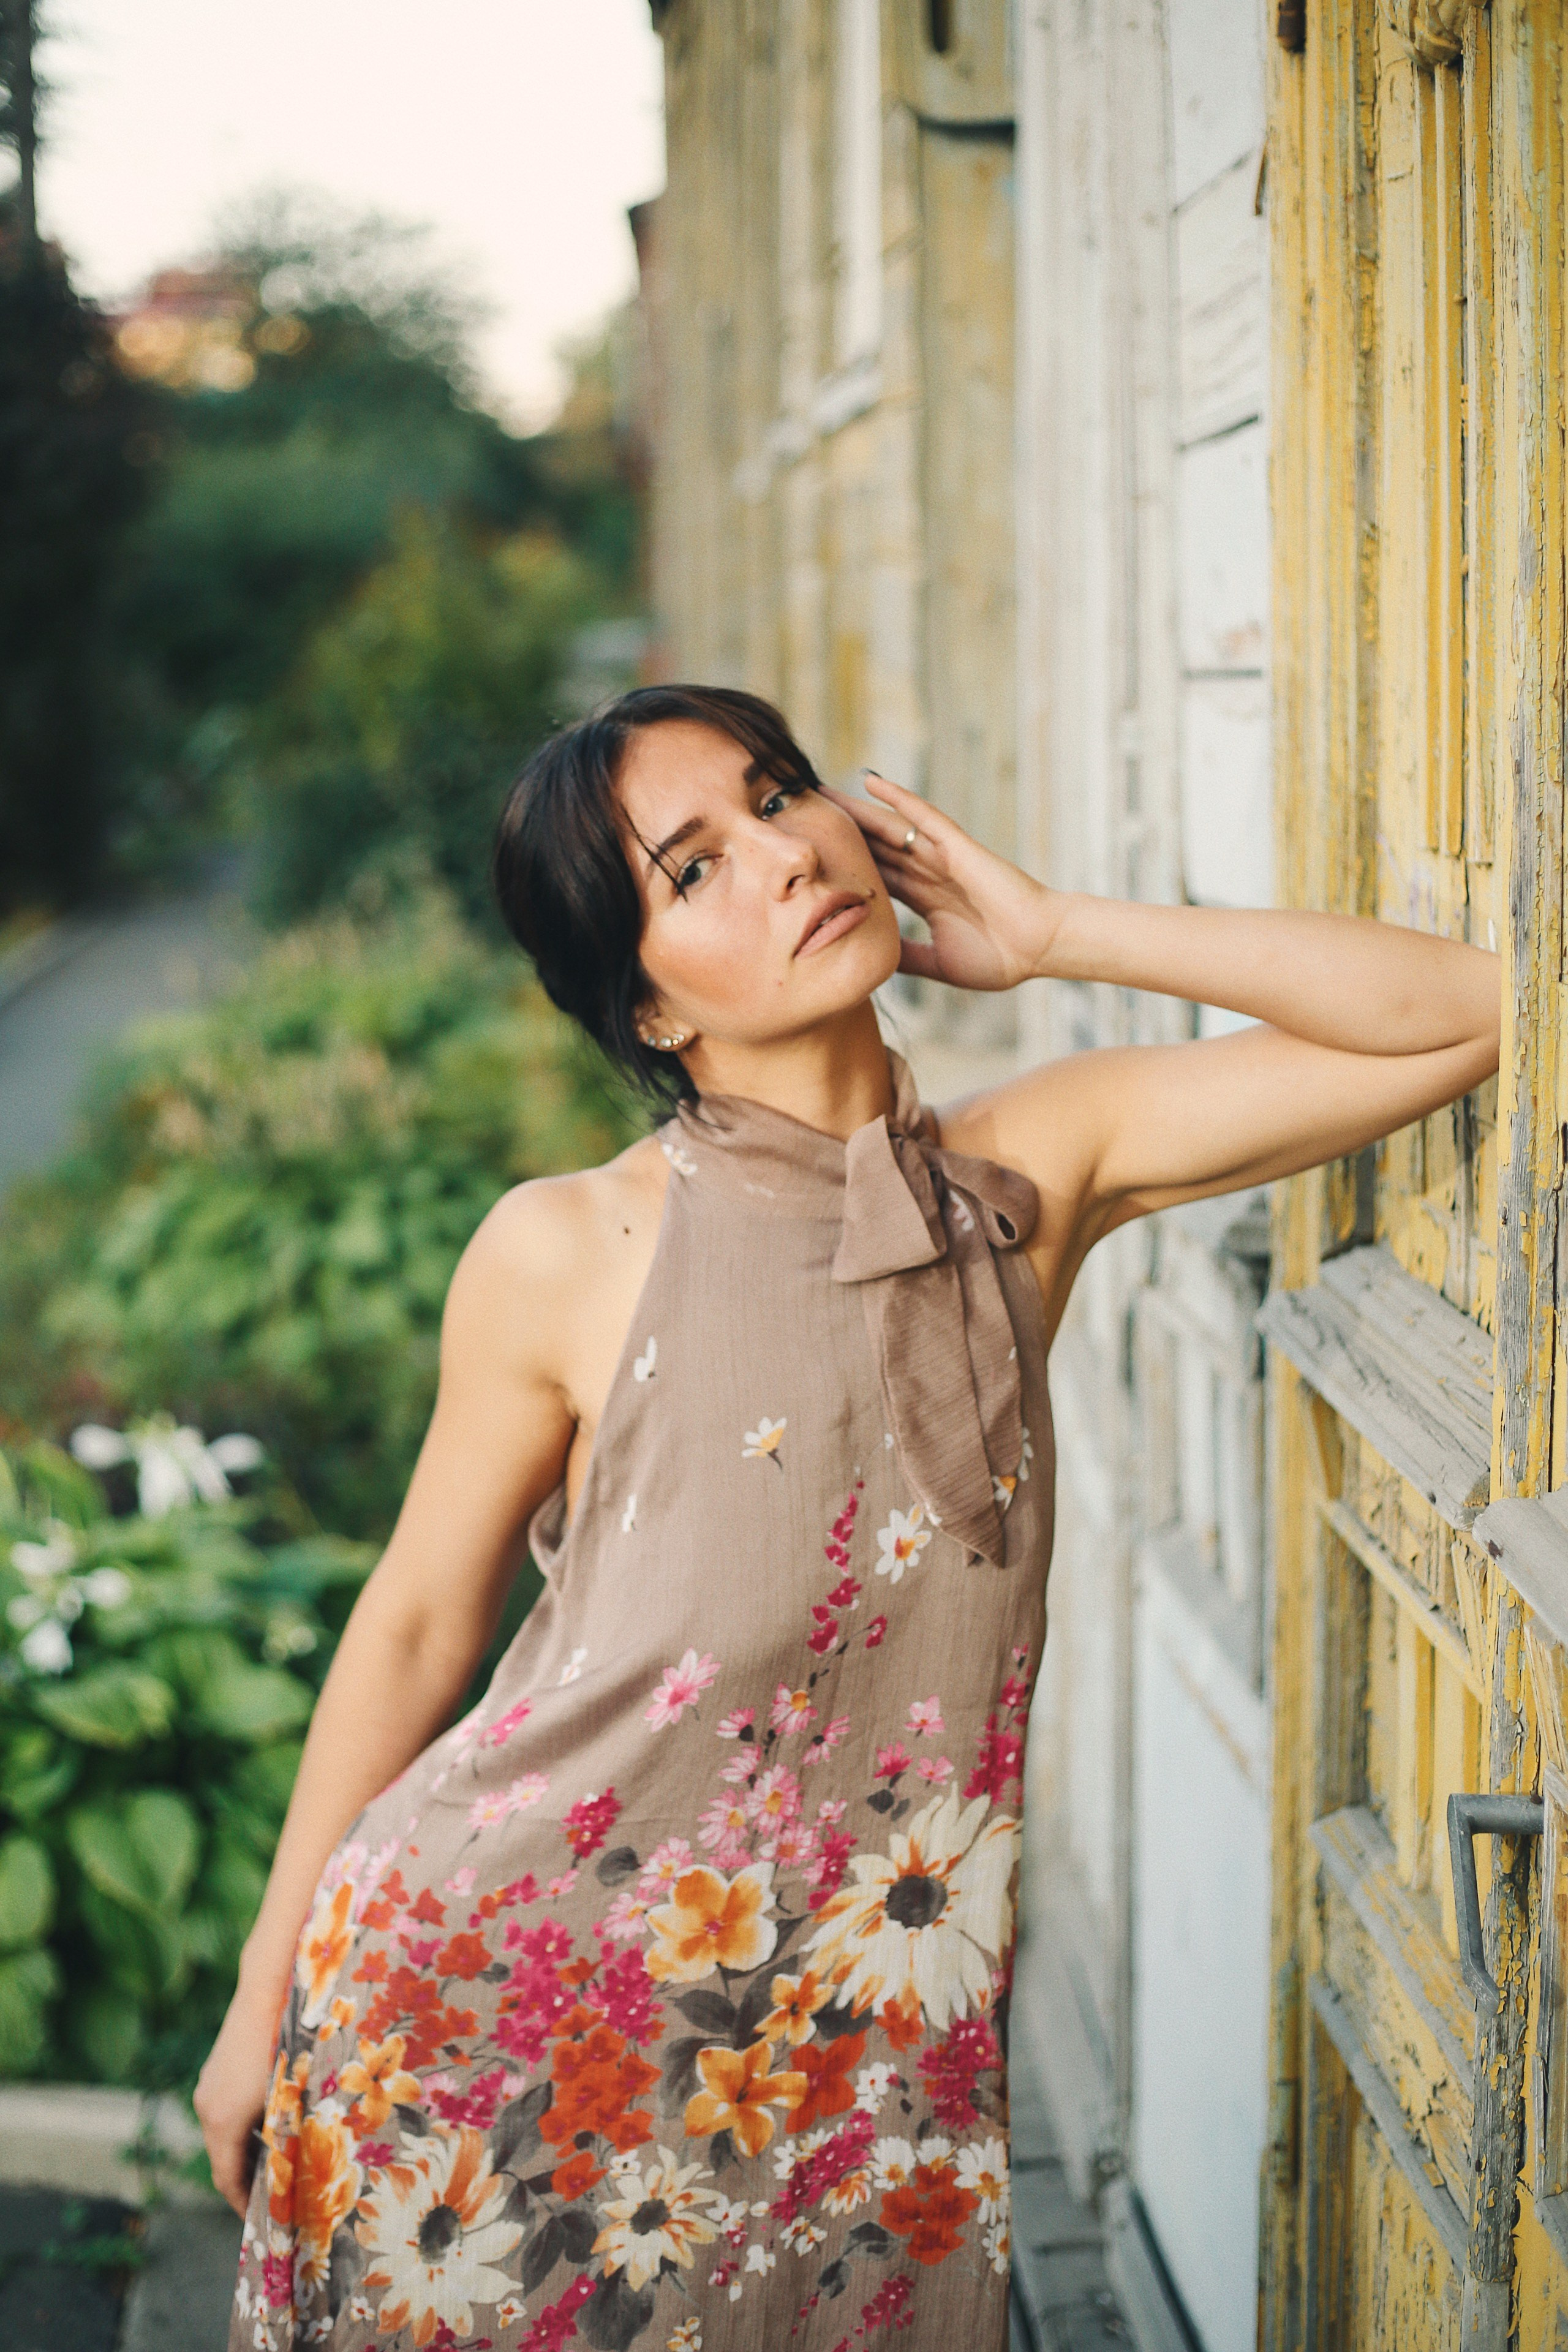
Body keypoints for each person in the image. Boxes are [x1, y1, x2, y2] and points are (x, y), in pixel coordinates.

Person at [203, 684, 1499, 2352]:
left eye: (779, 795)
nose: (785, 855)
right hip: (490, 2017)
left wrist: (1052, 931)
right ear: (651, 1014)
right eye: (693, 870)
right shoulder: (567, 1249)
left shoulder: (1030, 1171)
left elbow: (1474, 1010)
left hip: (857, 2074)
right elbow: (413, 1627)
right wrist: (262, 1996)